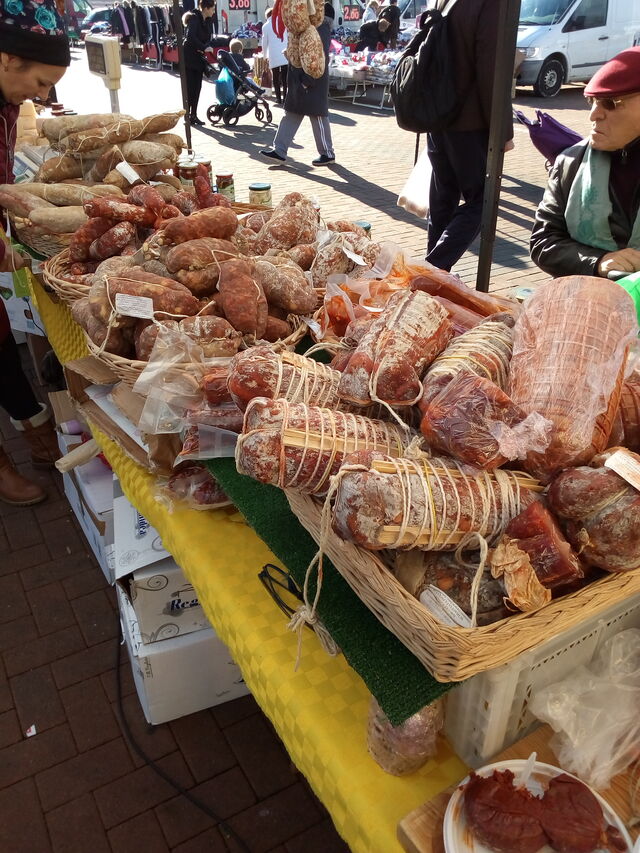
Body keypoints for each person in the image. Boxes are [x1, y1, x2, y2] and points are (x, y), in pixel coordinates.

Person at [0, 0, 70, 506]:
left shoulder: (5, 103)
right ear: (7, 58)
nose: (44, 97)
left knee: (1, 341)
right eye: (41, 82)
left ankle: (39, 433)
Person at [530, 48, 640, 279]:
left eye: (610, 103)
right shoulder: (571, 161)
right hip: (589, 297)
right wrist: (597, 261)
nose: (593, 115)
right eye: (592, 101)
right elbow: (543, 241)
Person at [425, 0, 513, 272]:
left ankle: (431, 277)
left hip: (437, 114)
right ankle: (431, 269)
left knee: (443, 198)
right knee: (483, 202)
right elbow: (491, 70)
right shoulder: (490, 4)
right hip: (468, 120)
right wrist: (503, 131)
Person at [260, 3, 336, 167]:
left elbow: (318, 57)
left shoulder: (319, 28)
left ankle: (327, 153)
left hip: (311, 80)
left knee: (317, 116)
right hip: (300, 78)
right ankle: (279, 150)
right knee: (291, 113)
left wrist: (308, 80)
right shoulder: (309, 26)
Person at [183, 0, 217, 126]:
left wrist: (207, 46)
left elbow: (207, 38)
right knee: (190, 87)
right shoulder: (194, 18)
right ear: (206, 8)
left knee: (197, 87)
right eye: (212, 9)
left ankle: (194, 115)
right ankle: (187, 114)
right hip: (190, 57)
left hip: (199, 57)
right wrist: (203, 47)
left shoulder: (207, 20)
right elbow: (190, 37)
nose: (213, 11)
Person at [261, 7, 288, 105]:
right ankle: (285, 98)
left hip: (273, 55)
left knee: (275, 78)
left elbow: (264, 43)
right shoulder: (283, 23)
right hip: (284, 54)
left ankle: (278, 98)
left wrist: (264, 56)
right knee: (285, 78)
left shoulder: (265, 26)